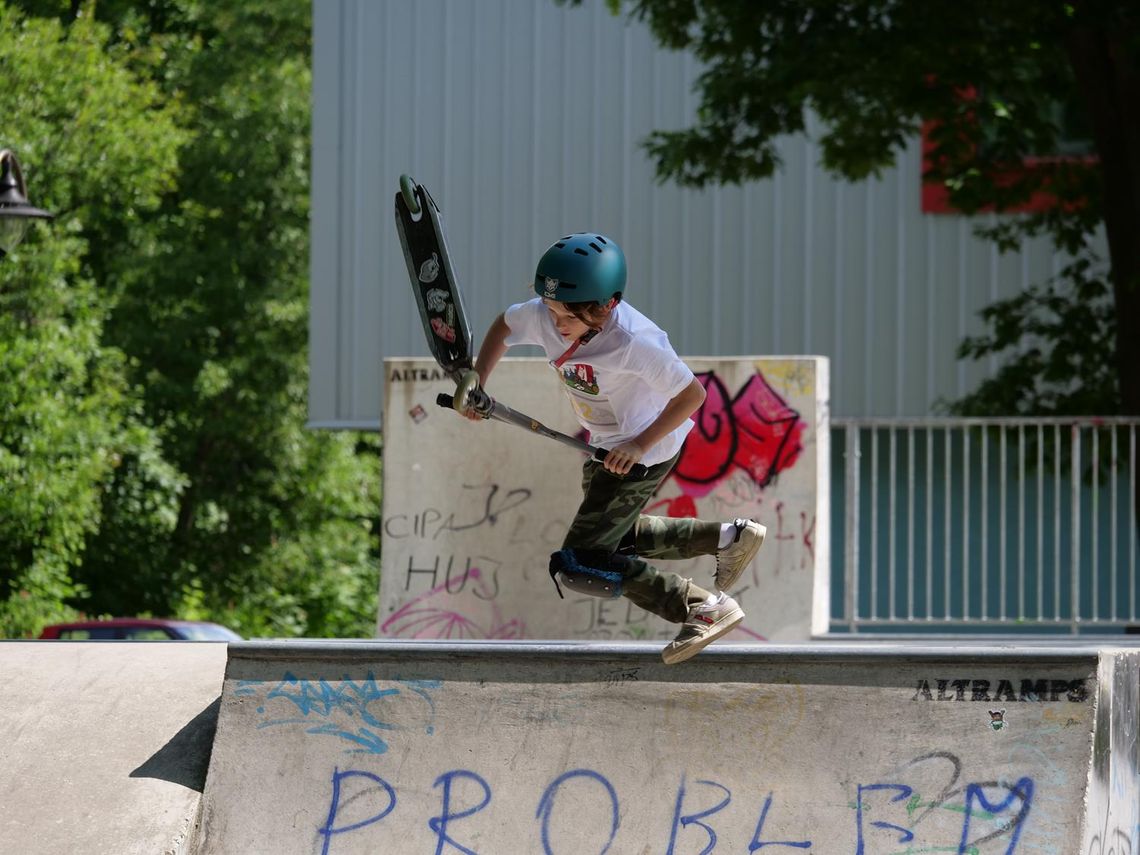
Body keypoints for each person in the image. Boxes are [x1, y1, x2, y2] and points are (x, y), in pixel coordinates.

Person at [460, 232, 765, 663]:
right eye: (550, 312)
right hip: (604, 446)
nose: (556, 324)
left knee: (580, 562)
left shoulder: (635, 342)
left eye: (568, 317)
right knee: (612, 544)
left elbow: (692, 396)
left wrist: (639, 445)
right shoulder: (545, 315)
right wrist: (479, 380)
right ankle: (730, 537)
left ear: (603, 307)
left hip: (643, 451)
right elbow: (504, 326)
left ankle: (701, 606)